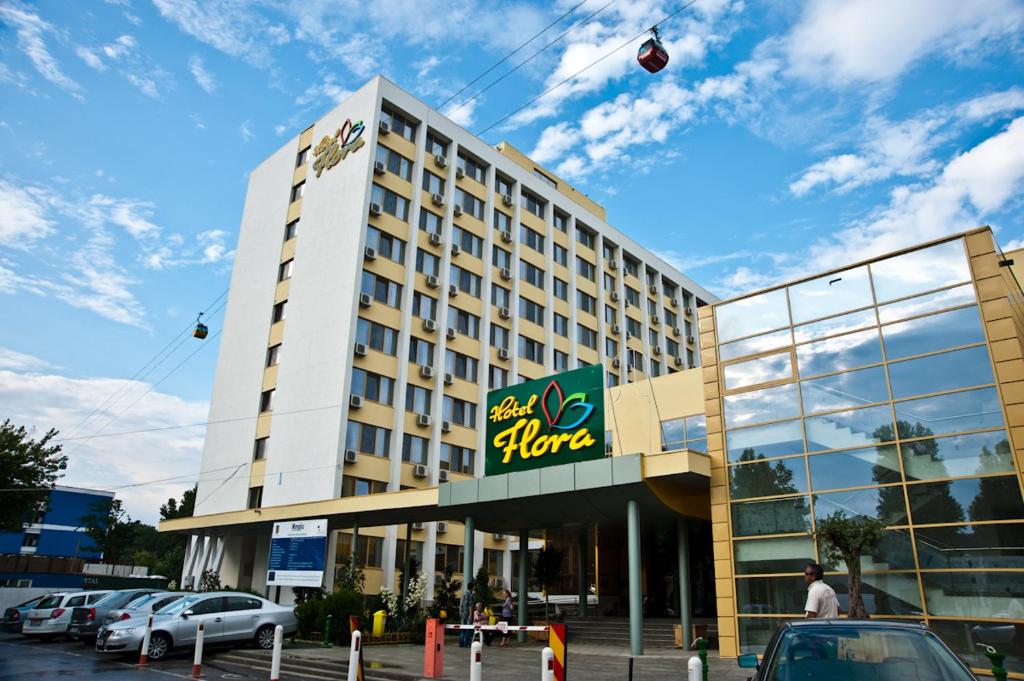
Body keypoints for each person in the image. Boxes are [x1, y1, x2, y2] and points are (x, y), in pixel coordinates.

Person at [459, 580, 475, 648]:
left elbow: (461, 604)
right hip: (468, 614)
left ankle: (461, 643)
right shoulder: (470, 594)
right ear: (472, 587)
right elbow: (470, 605)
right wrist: (471, 615)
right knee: (468, 628)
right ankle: (466, 643)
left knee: (462, 628)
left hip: (462, 613)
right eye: (474, 587)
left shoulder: (464, 593)